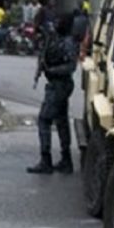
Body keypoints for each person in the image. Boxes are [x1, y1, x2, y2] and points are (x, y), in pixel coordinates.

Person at [27, 13, 79, 175]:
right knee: (61, 121)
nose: (56, 24)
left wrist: (51, 70)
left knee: (44, 120)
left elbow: (70, 67)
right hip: (58, 84)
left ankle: (46, 160)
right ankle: (66, 160)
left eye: (60, 21)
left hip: (59, 85)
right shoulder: (57, 38)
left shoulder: (68, 42)